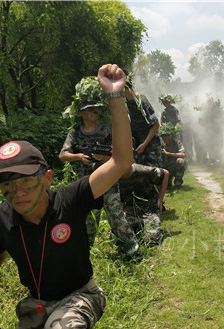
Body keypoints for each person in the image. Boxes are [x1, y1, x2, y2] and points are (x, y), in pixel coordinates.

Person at [0, 64, 133, 329]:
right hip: (37, 307)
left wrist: (115, 95)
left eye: (26, 181)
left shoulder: (72, 198)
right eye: (7, 185)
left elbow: (121, 161)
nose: (18, 192)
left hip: (82, 295)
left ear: (47, 178)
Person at [59, 77, 139, 257]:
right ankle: (83, 254)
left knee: (116, 216)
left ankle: (131, 249)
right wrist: (79, 156)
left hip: (109, 180)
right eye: (89, 109)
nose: (94, 111)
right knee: (89, 219)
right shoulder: (75, 133)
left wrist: (105, 157)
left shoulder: (104, 131)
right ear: (80, 113)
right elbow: (63, 155)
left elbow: (120, 153)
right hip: (87, 184)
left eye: (96, 109)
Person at [119, 163, 169, 246]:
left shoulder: (142, 170)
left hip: (150, 209)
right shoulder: (113, 176)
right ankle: (138, 226)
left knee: (150, 240)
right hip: (131, 210)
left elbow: (165, 174)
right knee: (119, 239)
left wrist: (160, 199)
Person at [123, 70, 162, 167]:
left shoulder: (141, 100)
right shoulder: (123, 103)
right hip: (136, 146)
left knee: (154, 175)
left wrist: (144, 144)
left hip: (151, 146)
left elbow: (156, 124)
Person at [159, 123, 186, 189]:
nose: (164, 139)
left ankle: (178, 183)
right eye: (163, 137)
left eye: (166, 136)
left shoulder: (177, 143)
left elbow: (183, 154)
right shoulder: (161, 145)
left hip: (175, 165)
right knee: (167, 185)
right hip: (166, 167)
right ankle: (167, 181)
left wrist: (168, 153)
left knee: (180, 161)